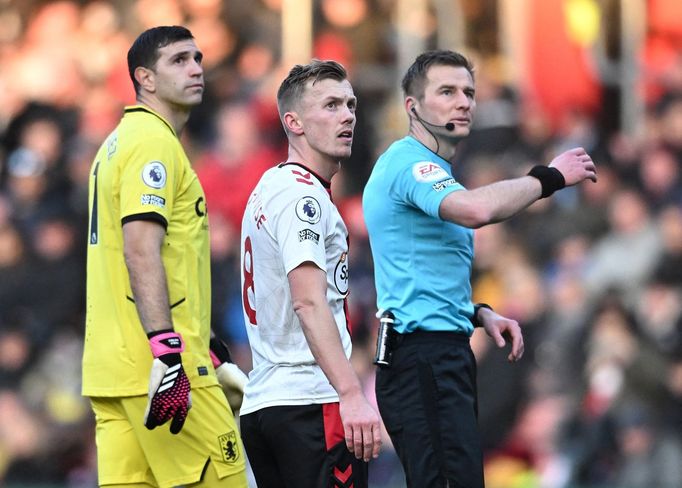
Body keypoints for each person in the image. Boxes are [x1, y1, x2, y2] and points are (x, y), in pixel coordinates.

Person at [362, 49, 598, 488]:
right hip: (423, 358)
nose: (464, 102)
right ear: (412, 107)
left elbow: (417, 276)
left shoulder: (432, 171)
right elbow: (473, 210)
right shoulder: (410, 163)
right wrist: (549, 177)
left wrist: (477, 313)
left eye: (469, 92)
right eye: (447, 91)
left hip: (436, 354)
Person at [81, 26, 248, 487]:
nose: (196, 68)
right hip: (164, 374)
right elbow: (140, 248)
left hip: (114, 374)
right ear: (145, 78)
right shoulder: (152, 144)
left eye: (197, 58)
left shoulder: (115, 143)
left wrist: (210, 345)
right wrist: (170, 355)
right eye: (178, 60)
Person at [239, 59, 382, 488]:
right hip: (310, 402)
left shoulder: (268, 189)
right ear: (293, 122)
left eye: (350, 105)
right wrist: (352, 393)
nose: (347, 116)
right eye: (331, 105)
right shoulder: (304, 199)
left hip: (267, 403)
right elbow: (307, 299)